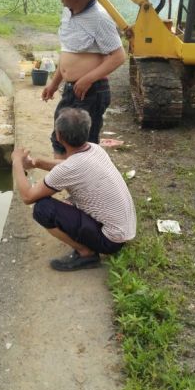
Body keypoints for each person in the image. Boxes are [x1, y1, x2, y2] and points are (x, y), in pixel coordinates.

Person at [11, 108, 136, 272]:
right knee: (67, 202)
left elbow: (28, 196)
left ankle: (86, 253)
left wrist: (16, 162)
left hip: (111, 241)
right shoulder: (94, 149)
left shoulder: (70, 167)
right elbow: (67, 166)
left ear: (59, 136)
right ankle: (88, 243)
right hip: (123, 230)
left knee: (42, 209)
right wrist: (36, 163)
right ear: (87, 131)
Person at [41, 0, 126, 156]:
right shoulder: (67, 13)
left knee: (83, 146)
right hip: (71, 90)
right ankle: (65, 183)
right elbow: (67, 50)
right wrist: (54, 83)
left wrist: (88, 79)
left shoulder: (99, 18)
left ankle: (83, 185)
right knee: (60, 138)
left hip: (91, 91)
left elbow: (118, 56)